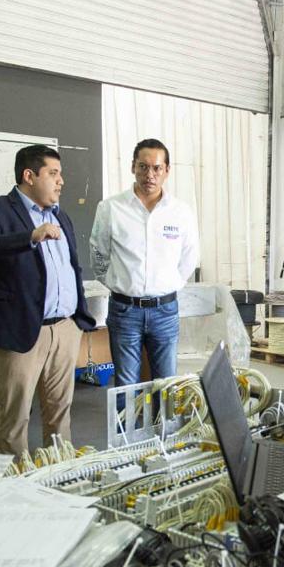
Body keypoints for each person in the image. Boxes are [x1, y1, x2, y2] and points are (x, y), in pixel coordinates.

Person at [0, 145, 95, 457]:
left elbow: (70, 266)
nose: (61, 181)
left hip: (65, 327)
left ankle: (59, 471)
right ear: (29, 175)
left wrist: (77, 318)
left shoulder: (60, 215)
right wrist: (30, 236)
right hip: (22, 327)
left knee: (59, 411)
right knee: (16, 415)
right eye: (53, 173)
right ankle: (17, 478)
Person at [90, 138, 200, 386]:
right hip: (124, 310)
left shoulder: (180, 212)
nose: (150, 175)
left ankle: (163, 417)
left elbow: (189, 257)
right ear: (133, 167)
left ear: (167, 170)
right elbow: (98, 254)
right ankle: (127, 416)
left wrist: (169, 284)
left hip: (165, 311)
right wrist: (118, 283)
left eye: (157, 168)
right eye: (143, 167)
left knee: (166, 383)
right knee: (126, 385)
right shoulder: (111, 208)